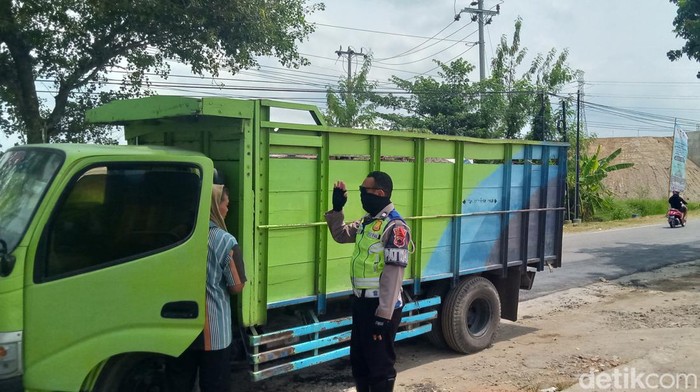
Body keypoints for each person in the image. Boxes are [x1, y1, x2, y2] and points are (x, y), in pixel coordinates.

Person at [325, 171, 412, 392]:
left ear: (380, 193)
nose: (362, 195)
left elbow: (393, 276)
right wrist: (337, 210)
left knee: (379, 369)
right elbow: (341, 235)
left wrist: (384, 316)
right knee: (360, 364)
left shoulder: (395, 227)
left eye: (365, 191)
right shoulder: (368, 222)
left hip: (381, 308)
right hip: (362, 304)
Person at [167, 184, 247, 392]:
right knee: (214, 385)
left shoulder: (176, 234)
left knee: (179, 383)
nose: (227, 210)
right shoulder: (225, 241)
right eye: (226, 205)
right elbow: (237, 286)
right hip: (214, 331)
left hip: (179, 326)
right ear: (215, 206)